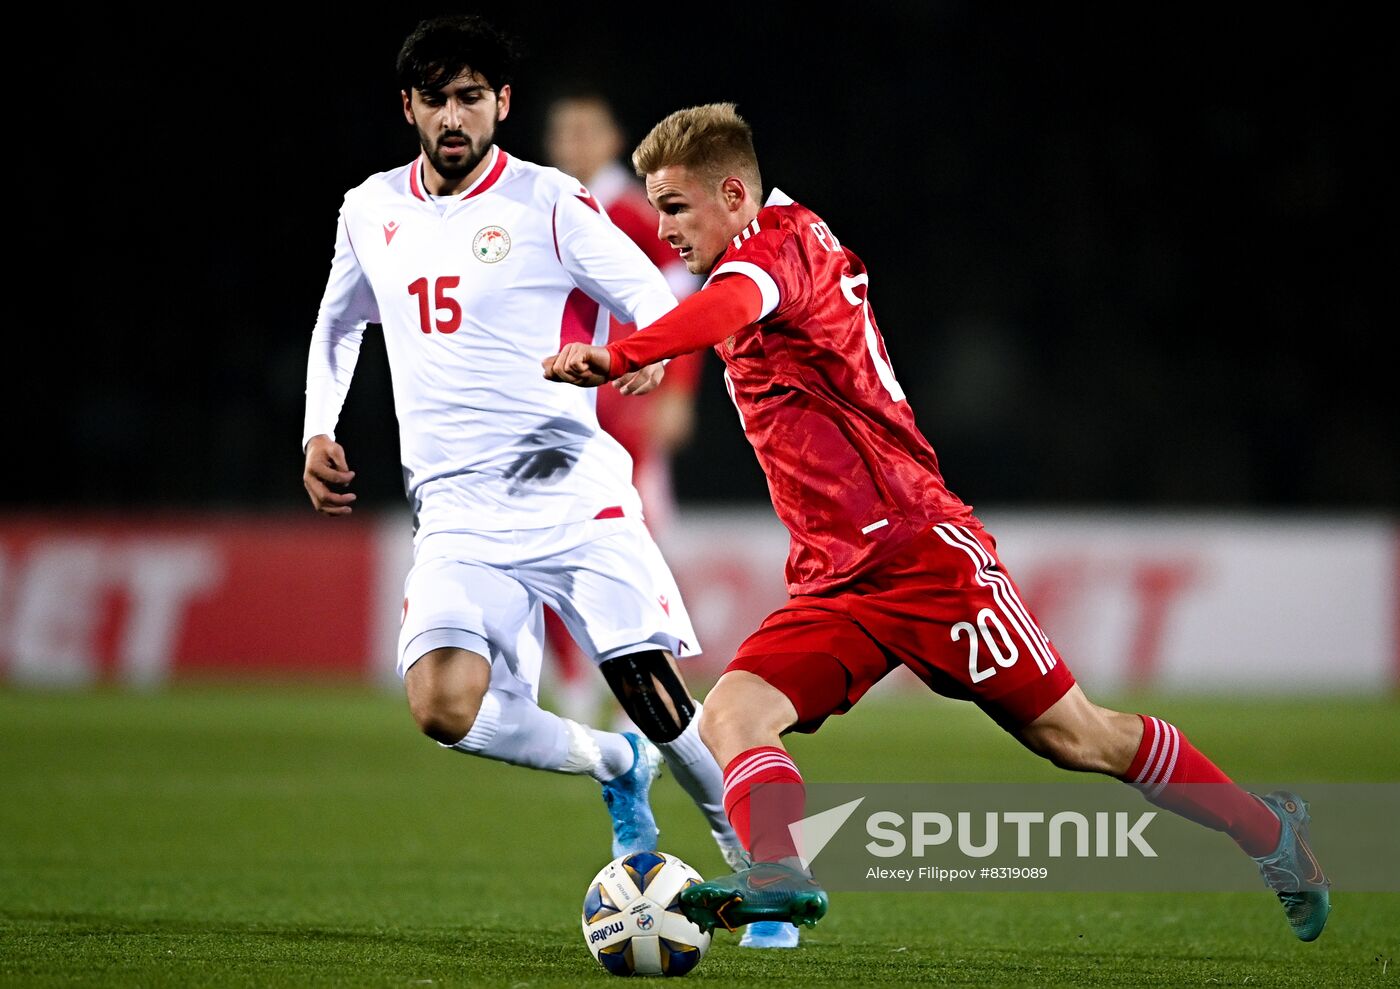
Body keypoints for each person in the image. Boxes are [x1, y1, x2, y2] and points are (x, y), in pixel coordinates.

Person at [542, 103, 1330, 944]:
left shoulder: (777, 249)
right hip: (838, 578)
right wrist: (661, 341)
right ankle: (779, 874)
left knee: (1078, 737)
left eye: (674, 207)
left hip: (923, 552)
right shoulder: (763, 247)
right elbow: (723, 308)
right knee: (733, 712)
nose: (663, 229)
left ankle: (1269, 831)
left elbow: (733, 304)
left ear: (733, 193)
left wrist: (631, 350)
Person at [300, 17, 745, 874]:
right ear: (411, 109)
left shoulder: (546, 201)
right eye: (436, 101)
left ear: (501, 104)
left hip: (570, 492)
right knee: (442, 705)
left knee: (646, 684)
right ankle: (611, 763)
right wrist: (320, 424)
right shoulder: (370, 210)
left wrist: (643, 350)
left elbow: (647, 290)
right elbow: (337, 324)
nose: (453, 117)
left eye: (471, 98)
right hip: (457, 513)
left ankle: (752, 856)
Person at [540, 90, 705, 732]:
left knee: (637, 548)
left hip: (629, 403)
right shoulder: (544, 206)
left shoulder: (633, 213)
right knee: (549, 541)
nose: (574, 143)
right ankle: (575, 689)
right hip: (563, 404)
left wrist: (679, 388)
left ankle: (648, 698)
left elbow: (687, 302)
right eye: (563, 131)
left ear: (612, 141)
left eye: (587, 130)